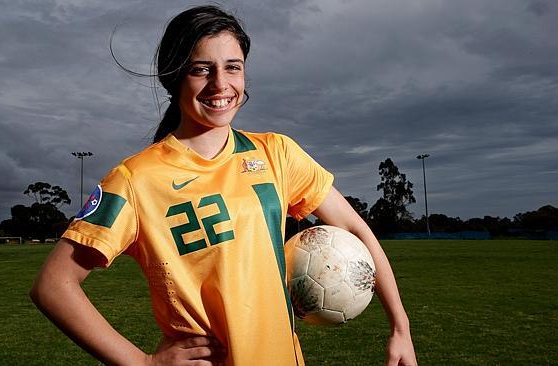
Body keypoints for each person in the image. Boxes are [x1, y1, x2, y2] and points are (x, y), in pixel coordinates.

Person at [30, 5, 417, 366]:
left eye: (233, 67)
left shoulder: (276, 154)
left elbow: (353, 228)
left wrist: (400, 327)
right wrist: (143, 362)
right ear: (174, 75)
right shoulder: (136, 180)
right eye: (202, 69)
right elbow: (53, 285)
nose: (221, 84)